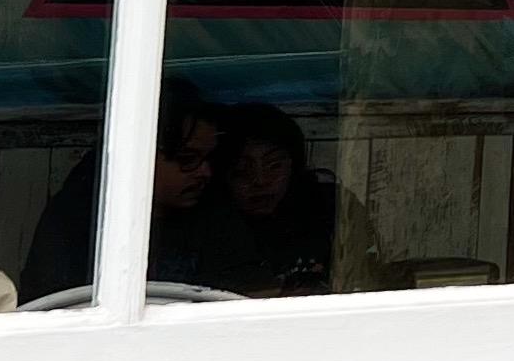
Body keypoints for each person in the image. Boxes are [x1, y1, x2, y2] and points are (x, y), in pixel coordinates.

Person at [18, 79, 223, 303]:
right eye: (188, 159)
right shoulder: (80, 218)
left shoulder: (211, 207)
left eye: (209, 158)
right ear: (140, 152)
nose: (205, 172)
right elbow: (66, 313)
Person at [180, 102, 344, 298]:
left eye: (274, 166)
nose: (260, 181)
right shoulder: (210, 225)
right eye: (241, 169)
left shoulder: (329, 206)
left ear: (293, 165)